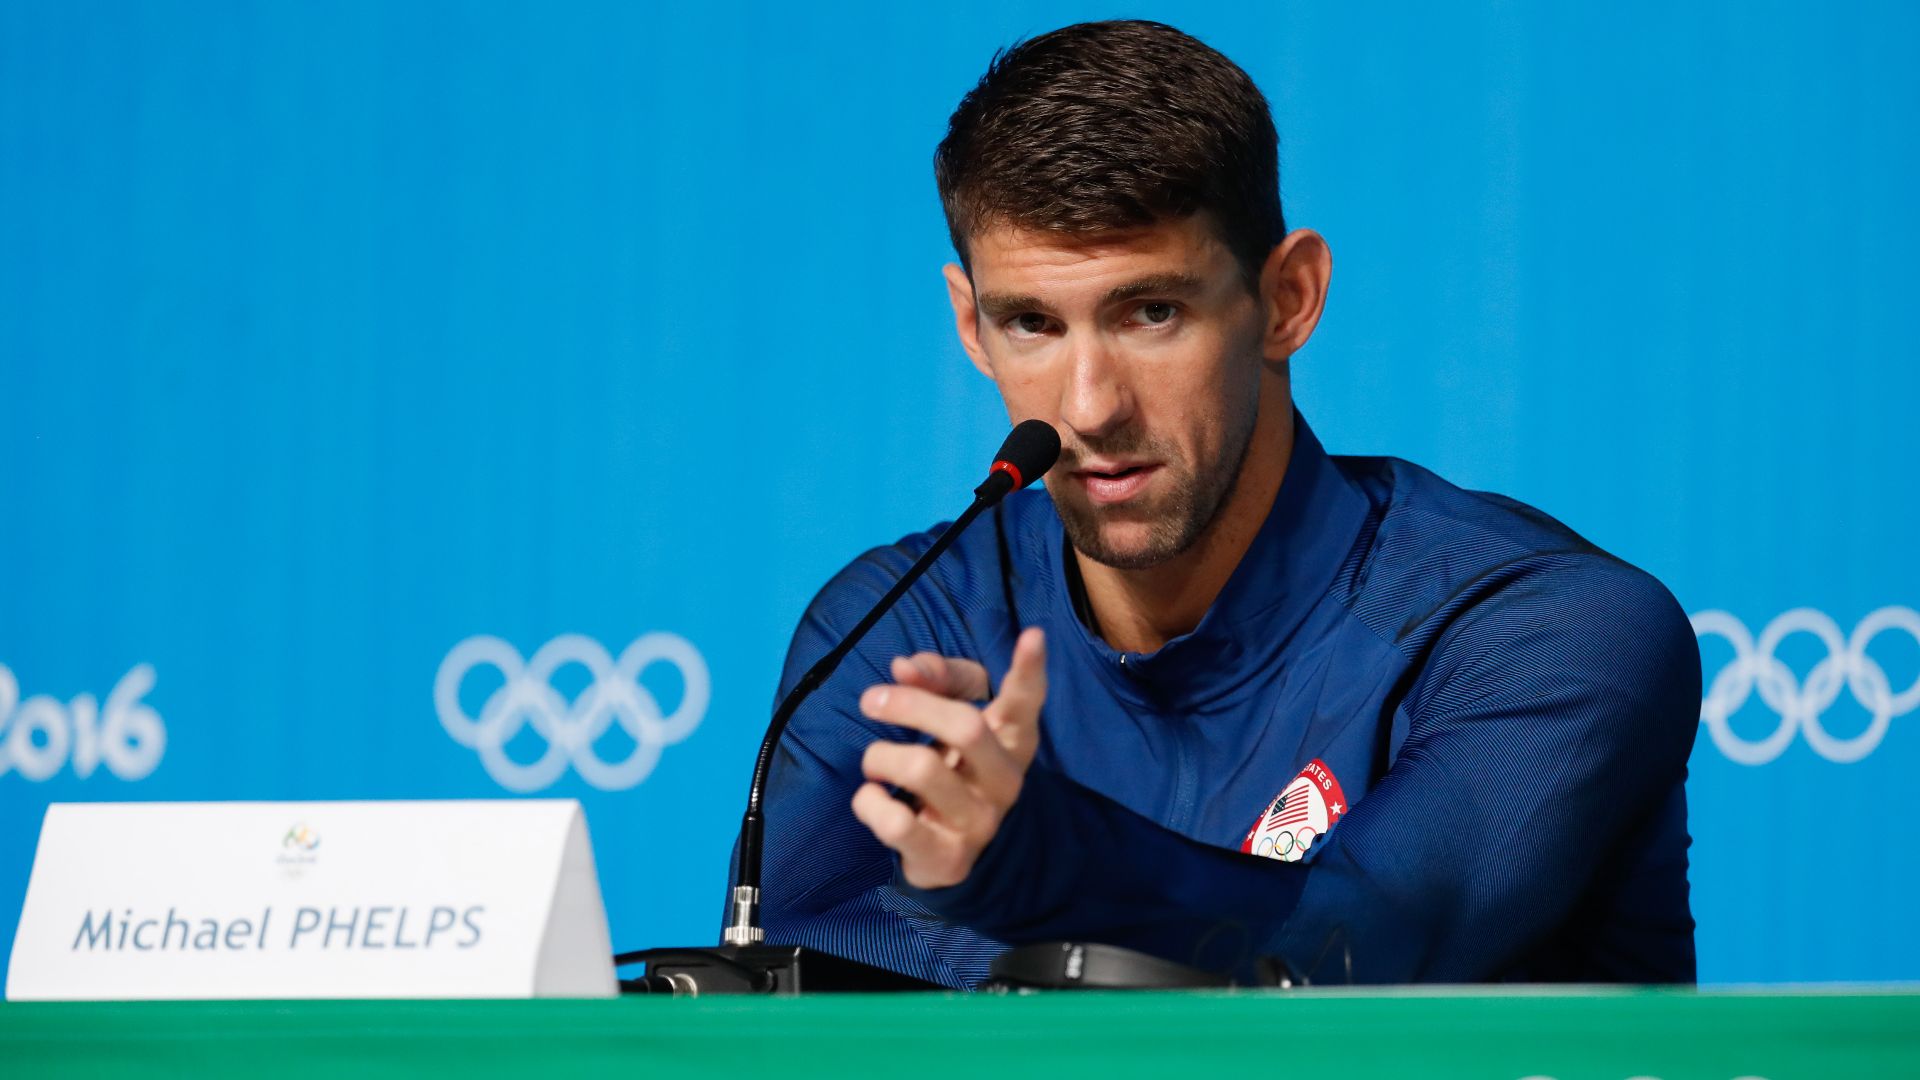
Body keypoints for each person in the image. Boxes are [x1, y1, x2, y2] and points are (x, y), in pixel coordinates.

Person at [753, 19, 1699, 988]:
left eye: (1151, 313)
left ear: (1287, 298)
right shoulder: (904, 621)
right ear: (971, 324)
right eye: (1032, 323)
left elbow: (1372, 953)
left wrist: (1040, 866)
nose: (1089, 408)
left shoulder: (1547, 627)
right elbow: (789, 989)